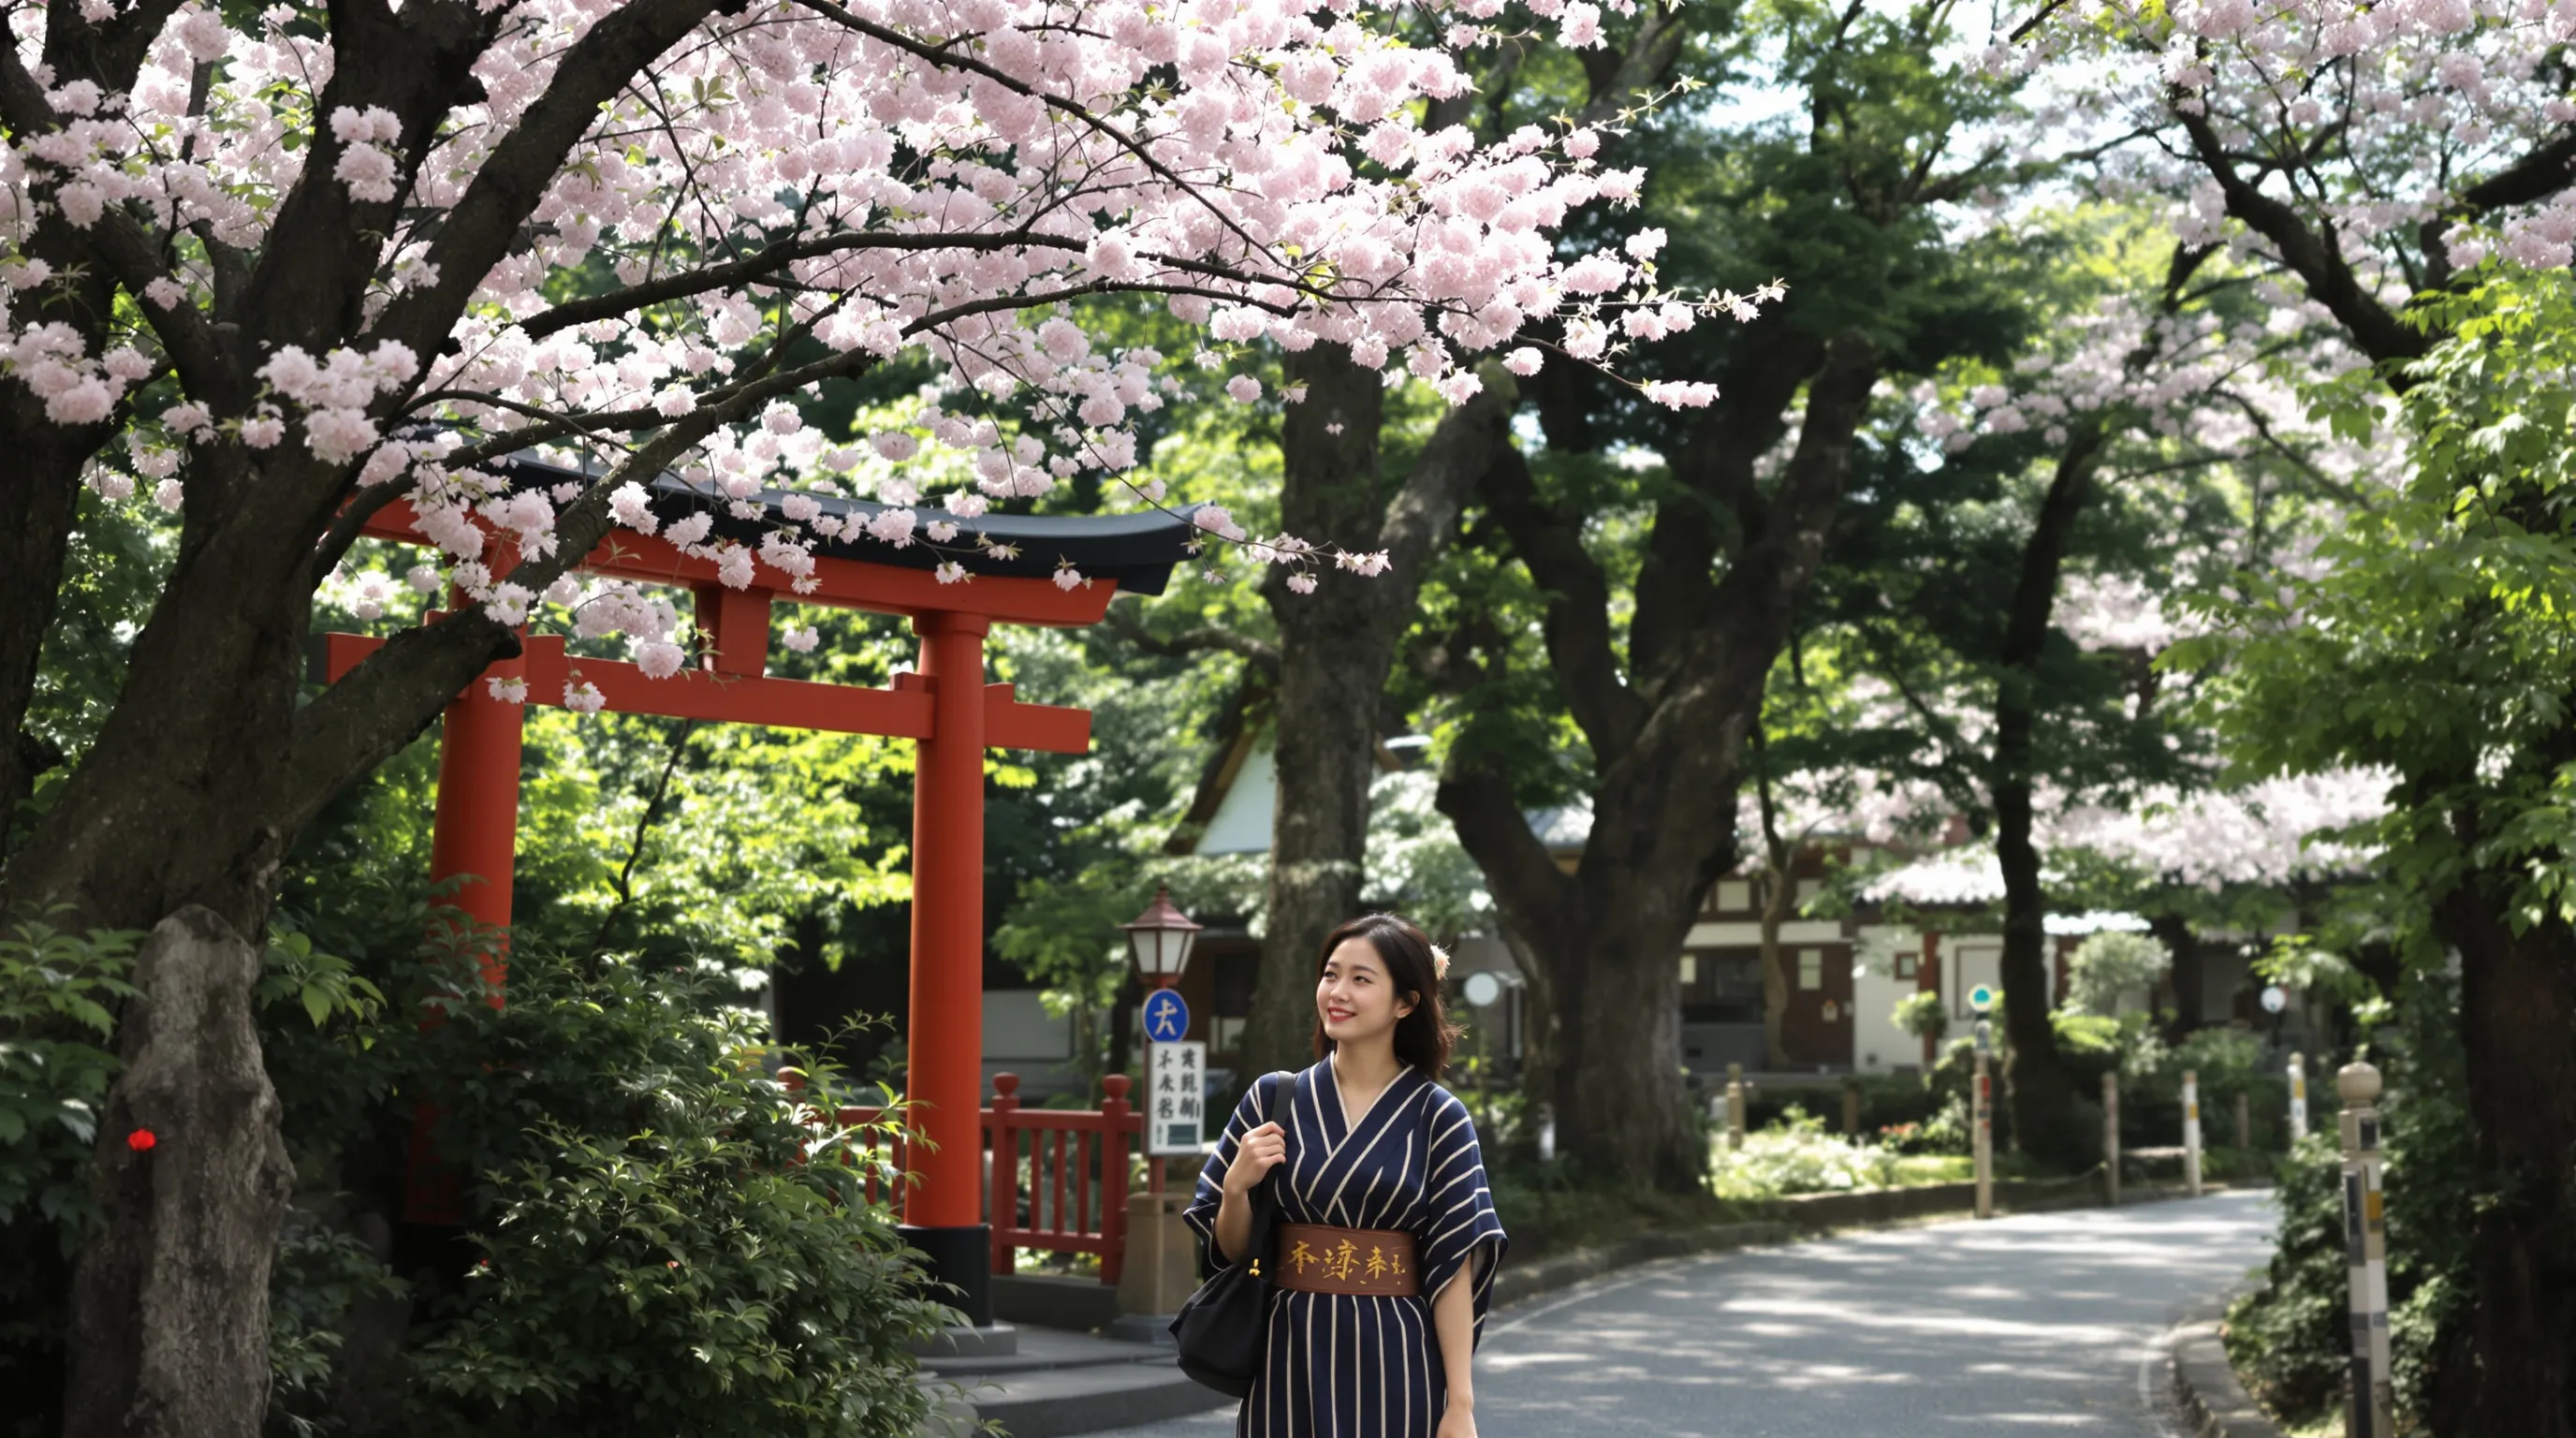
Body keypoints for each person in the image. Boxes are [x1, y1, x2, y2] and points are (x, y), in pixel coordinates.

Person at [1184, 914, 1507, 1438]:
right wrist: (1236, 1186)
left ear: (1406, 1003)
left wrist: (1461, 1404)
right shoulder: (1275, 1097)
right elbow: (1230, 1250)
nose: (1338, 992)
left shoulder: (1438, 1116)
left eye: (1361, 979)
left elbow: (1452, 1269)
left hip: (1396, 1356)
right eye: (1331, 974)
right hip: (1288, 1350)